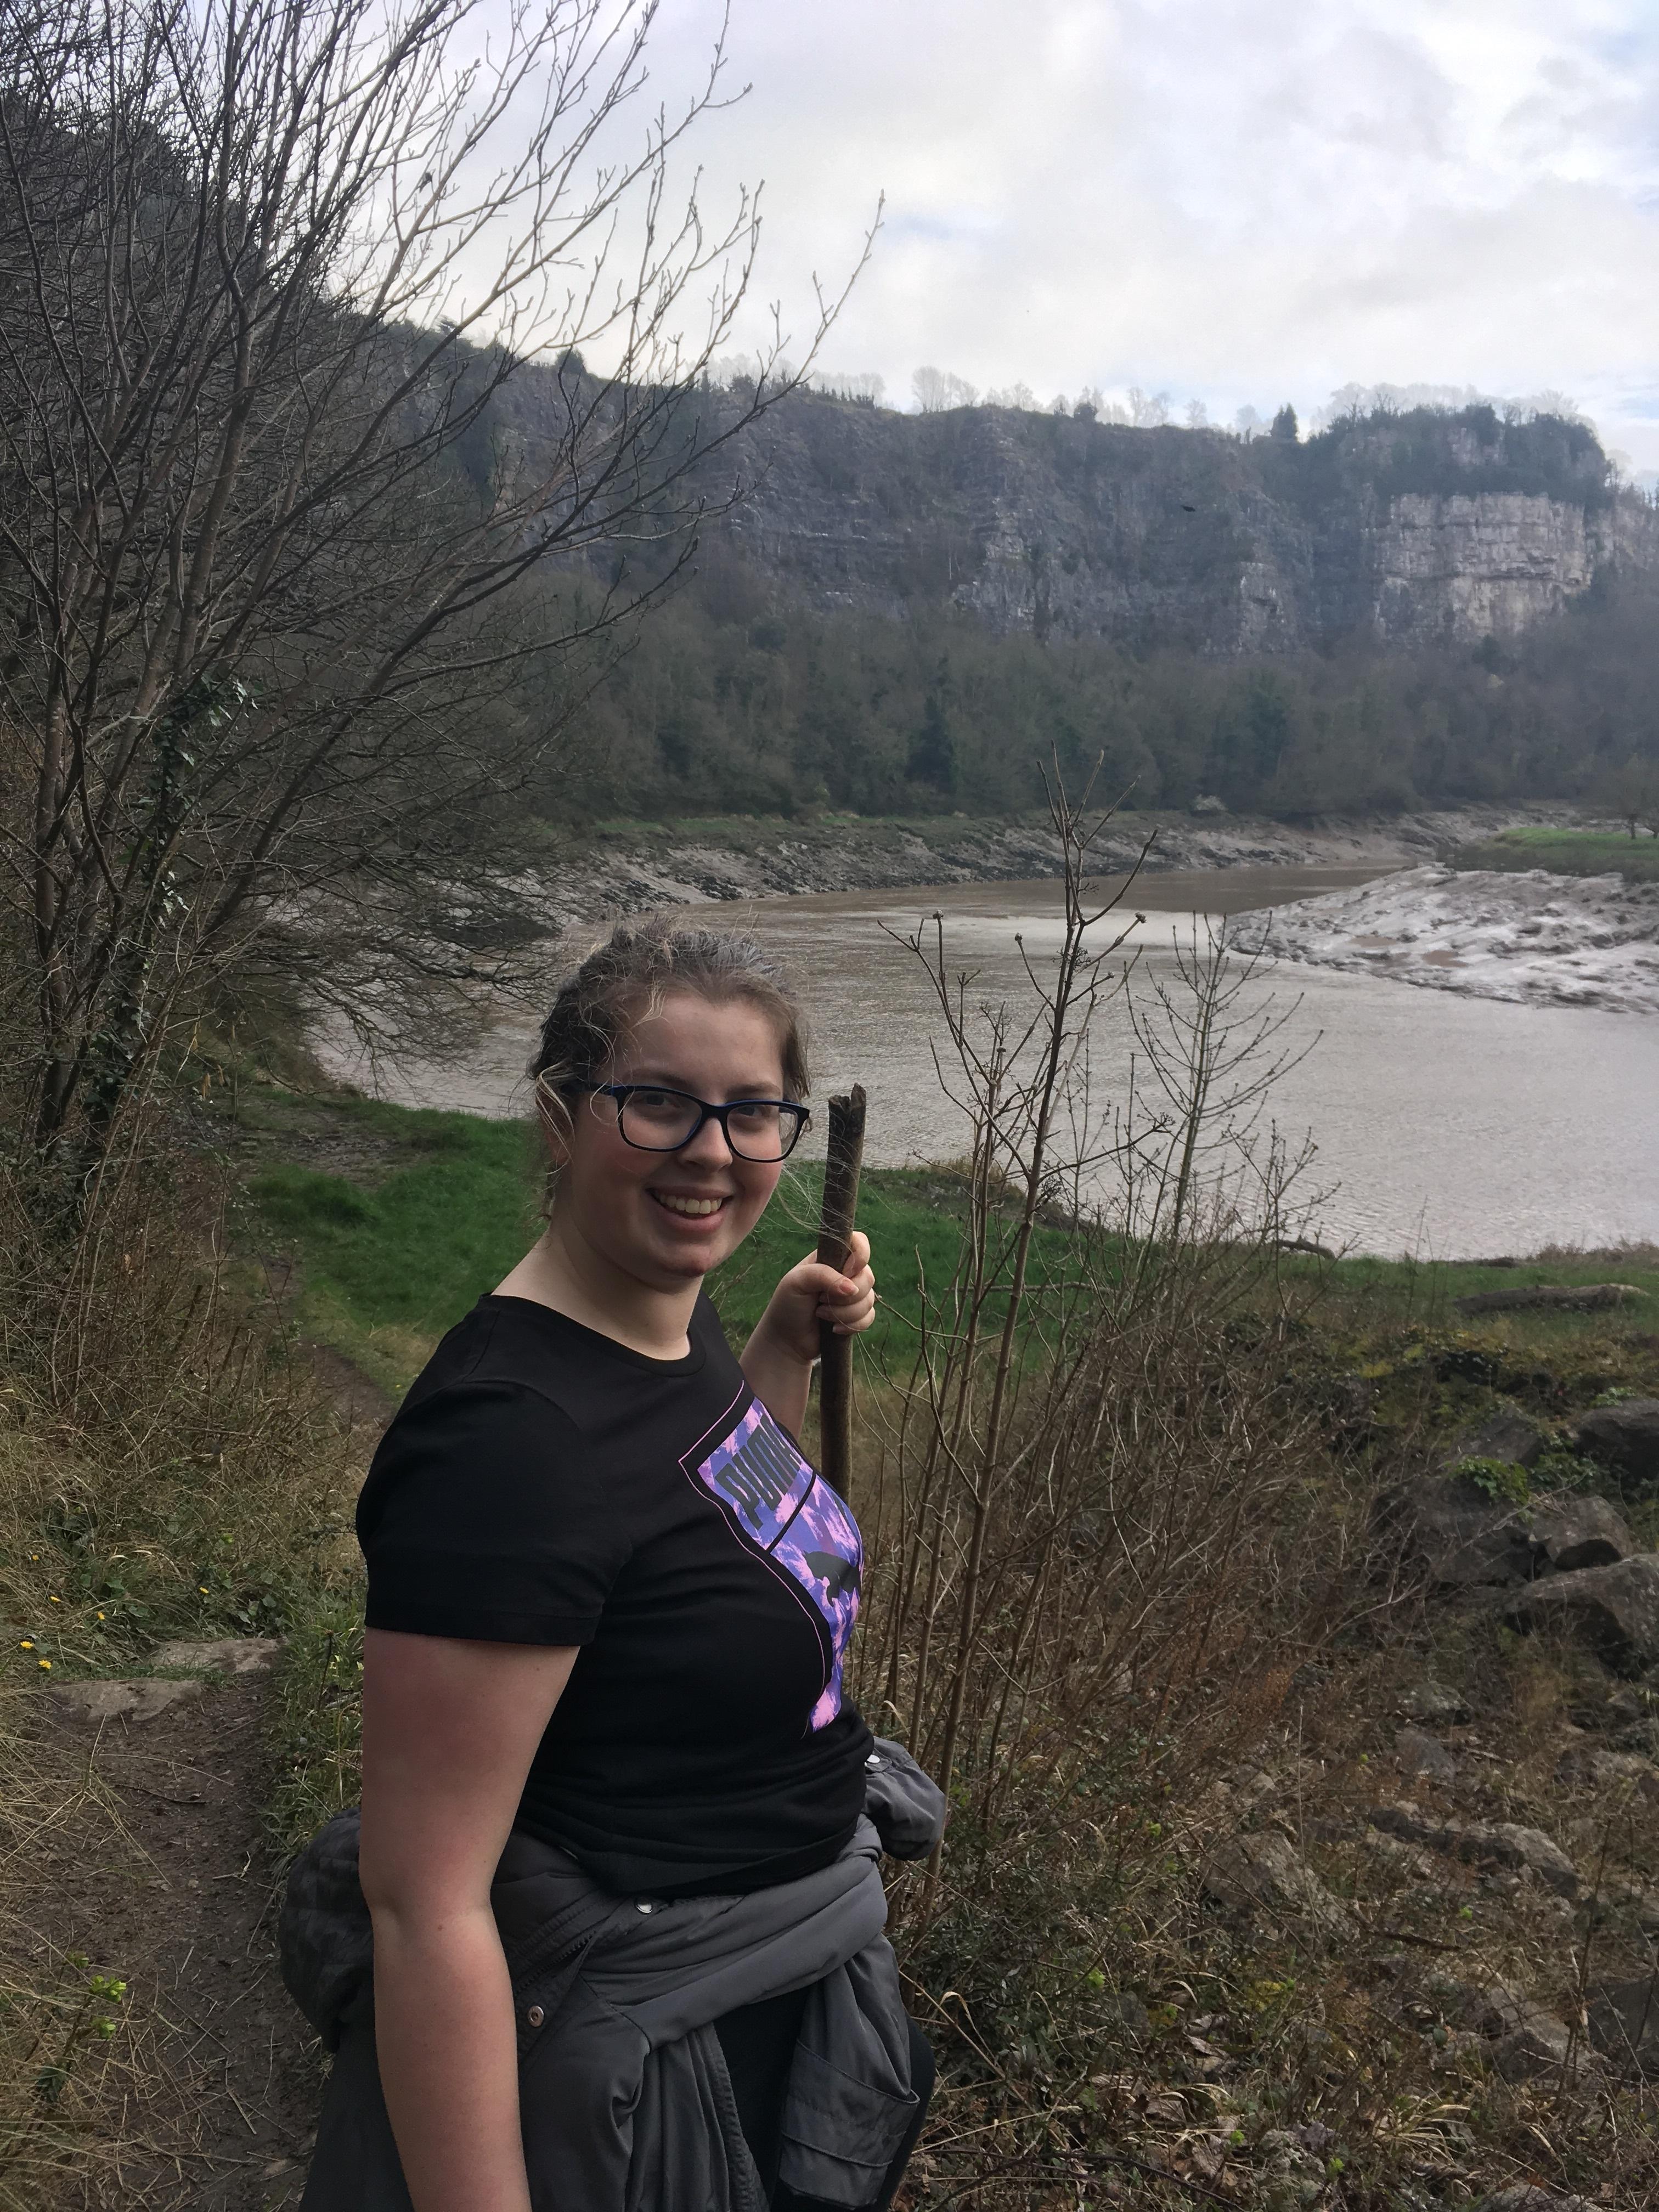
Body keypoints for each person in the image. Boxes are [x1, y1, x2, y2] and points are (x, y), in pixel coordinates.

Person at [292, 919, 937, 2212]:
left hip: (753, 2003)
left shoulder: (669, 1323)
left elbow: (694, 1536)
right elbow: (426, 1905)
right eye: (658, 1103)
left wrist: (778, 1351)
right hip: (640, 2068)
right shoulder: (508, 1448)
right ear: (557, 1116)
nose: (713, 1151)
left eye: (754, 1113)